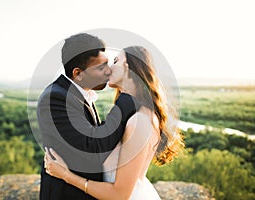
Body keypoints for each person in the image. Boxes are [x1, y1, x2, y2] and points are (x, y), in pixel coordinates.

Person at [44, 46, 185, 199]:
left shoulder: (139, 121)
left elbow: (119, 195)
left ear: (129, 68)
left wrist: (65, 174)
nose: (109, 67)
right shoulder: (130, 113)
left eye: (116, 61)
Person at [38, 33, 141, 200]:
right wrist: (126, 97)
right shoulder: (56, 98)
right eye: (101, 67)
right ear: (78, 73)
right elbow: (94, 147)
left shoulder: (79, 93)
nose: (109, 71)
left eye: (108, 63)